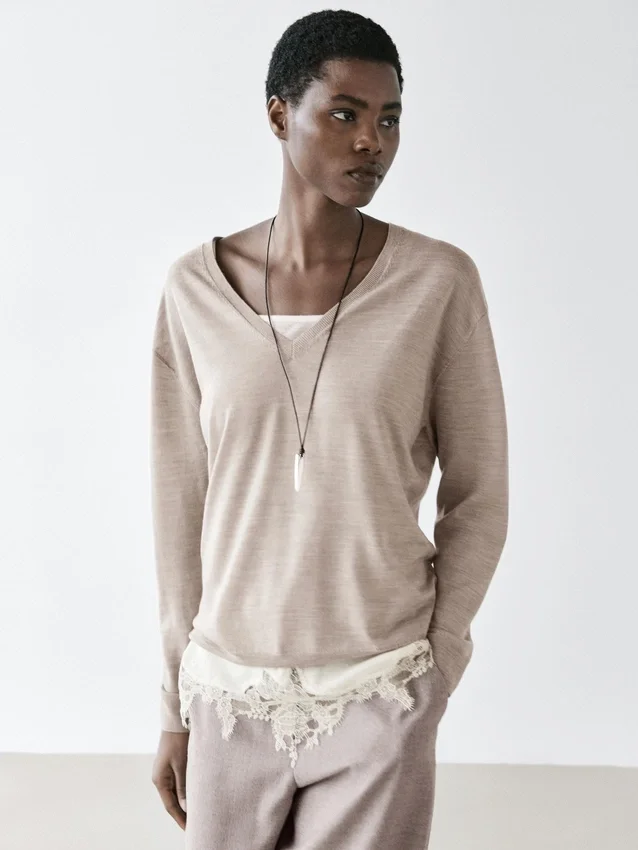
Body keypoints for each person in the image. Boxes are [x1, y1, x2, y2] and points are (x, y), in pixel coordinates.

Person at [149, 9, 509, 849]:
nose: (371, 141)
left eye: (389, 119)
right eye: (344, 113)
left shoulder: (437, 283)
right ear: (280, 115)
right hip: (227, 694)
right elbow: (178, 507)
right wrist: (173, 703)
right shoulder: (193, 291)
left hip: (381, 688)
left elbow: (480, 493)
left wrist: (436, 667)